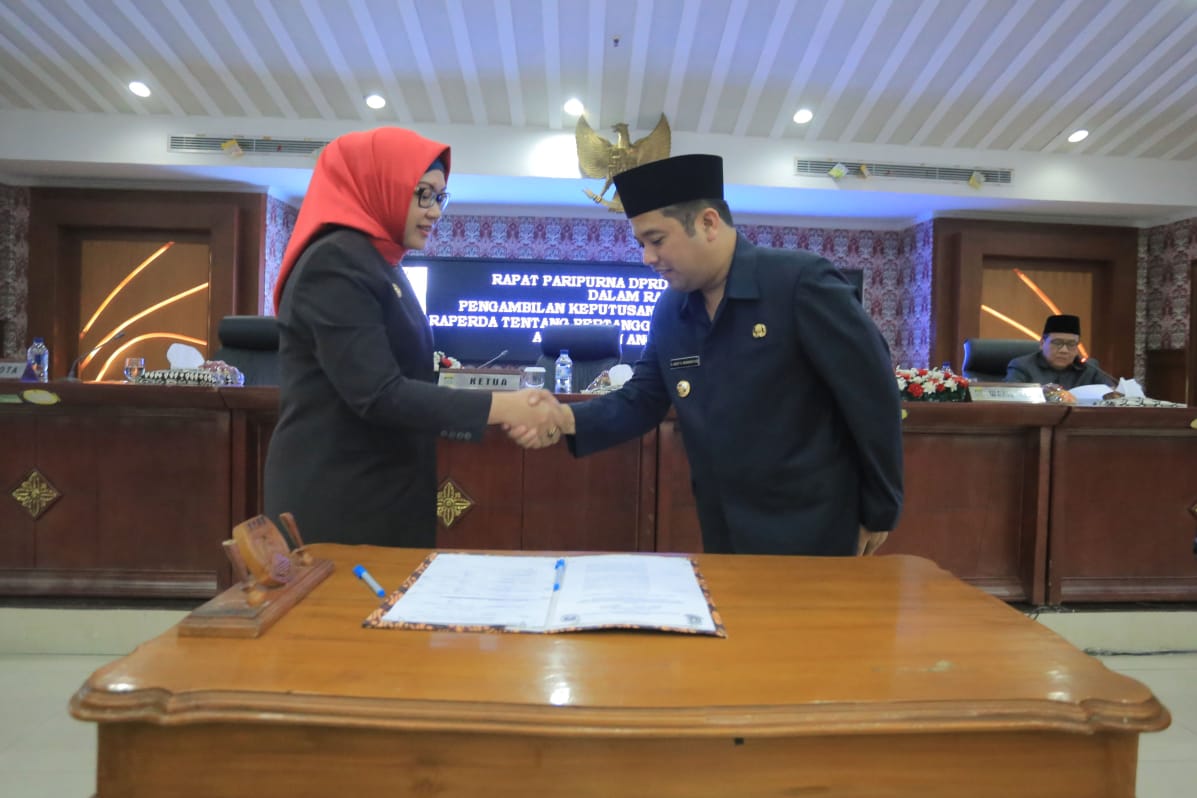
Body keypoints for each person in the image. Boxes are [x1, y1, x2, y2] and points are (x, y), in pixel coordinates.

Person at [517, 154, 903, 557]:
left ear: (708, 223)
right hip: (724, 527)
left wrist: (880, 509)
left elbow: (871, 394)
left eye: (656, 240)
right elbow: (643, 399)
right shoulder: (672, 310)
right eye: (641, 244)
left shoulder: (798, 282)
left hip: (815, 527)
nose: (647, 257)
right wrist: (564, 418)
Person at [264, 127, 560, 547]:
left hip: (384, 494)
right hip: (339, 503)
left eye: (440, 197)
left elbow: (410, 382)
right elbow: (379, 394)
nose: (435, 211)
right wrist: (504, 406)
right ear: (378, 184)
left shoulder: (379, 263)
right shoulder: (335, 263)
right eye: (423, 194)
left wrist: (501, 411)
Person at [1005, 314, 1116, 389]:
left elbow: (1112, 395)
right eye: (1057, 343)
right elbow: (1013, 398)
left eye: (1071, 344)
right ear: (1042, 343)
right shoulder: (1022, 366)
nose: (1064, 350)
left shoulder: (1090, 368)